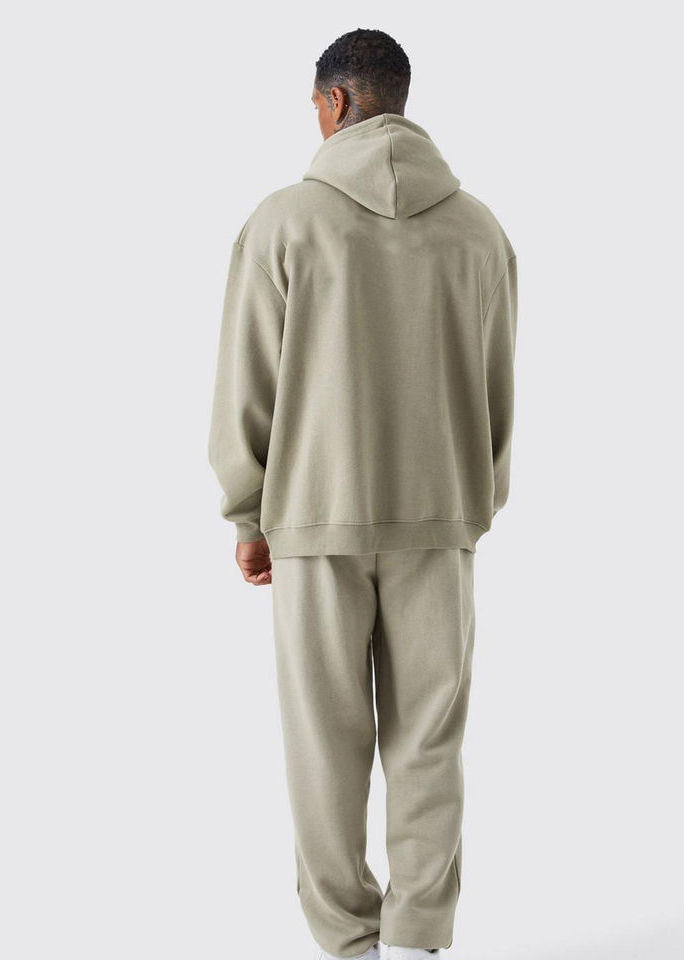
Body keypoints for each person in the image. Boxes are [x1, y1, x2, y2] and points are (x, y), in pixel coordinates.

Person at [209, 28, 517, 960]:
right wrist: (472, 504)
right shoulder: (479, 230)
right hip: (439, 519)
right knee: (430, 741)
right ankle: (418, 939)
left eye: (315, 105)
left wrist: (248, 512)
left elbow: (247, 382)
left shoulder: (284, 222)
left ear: (336, 101)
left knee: (324, 745)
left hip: (311, 520)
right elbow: (498, 388)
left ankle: (348, 940)